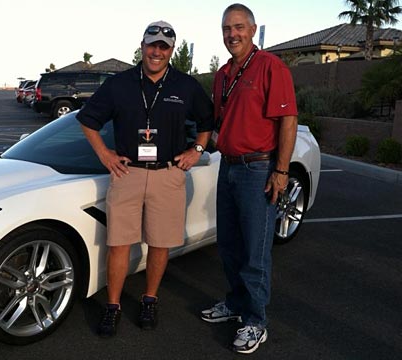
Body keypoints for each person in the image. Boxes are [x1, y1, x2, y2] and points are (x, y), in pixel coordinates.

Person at [77, 20, 213, 338]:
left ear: (171, 51)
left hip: (168, 175)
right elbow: (87, 120)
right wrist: (105, 155)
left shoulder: (186, 86)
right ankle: (113, 307)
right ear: (142, 47)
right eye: (152, 45)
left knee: (160, 244)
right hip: (128, 174)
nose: (157, 51)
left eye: (164, 47)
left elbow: (207, 120)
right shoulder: (119, 83)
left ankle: (149, 299)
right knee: (119, 244)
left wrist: (196, 149)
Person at [201, 3, 298, 354]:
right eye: (227, 28)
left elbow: (288, 121)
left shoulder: (271, 67)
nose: (232, 34)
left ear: (253, 30)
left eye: (239, 27)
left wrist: (282, 170)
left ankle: (255, 321)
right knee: (228, 245)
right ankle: (236, 303)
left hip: (258, 169)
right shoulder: (223, 73)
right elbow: (219, 124)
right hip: (227, 166)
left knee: (255, 251)